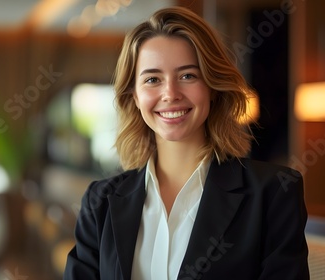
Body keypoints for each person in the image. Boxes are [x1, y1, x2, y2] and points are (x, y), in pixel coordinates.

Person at [64, 6, 309, 280]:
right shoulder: (100, 202)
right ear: (134, 96)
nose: (170, 93)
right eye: (153, 79)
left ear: (213, 88)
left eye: (187, 76)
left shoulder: (273, 193)